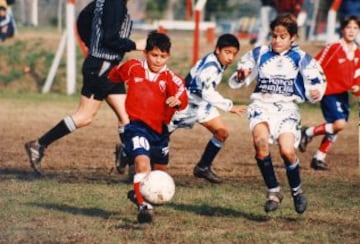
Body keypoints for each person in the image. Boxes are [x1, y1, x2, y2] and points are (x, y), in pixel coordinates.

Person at [24, 0, 144, 175]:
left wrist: (92, 45)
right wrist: (135, 45)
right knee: (84, 116)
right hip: (102, 66)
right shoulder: (115, 3)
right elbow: (110, 38)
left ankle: (127, 155)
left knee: (127, 115)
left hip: (106, 66)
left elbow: (82, 20)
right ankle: (39, 145)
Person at [232, 13, 326, 214]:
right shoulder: (260, 53)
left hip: (286, 109)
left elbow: (317, 80)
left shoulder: (301, 58)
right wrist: (241, 75)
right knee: (260, 144)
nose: (277, 40)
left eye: (282, 37)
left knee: (287, 151)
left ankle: (297, 191)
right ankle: (274, 191)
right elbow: (242, 69)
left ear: (292, 38)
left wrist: (316, 92)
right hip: (261, 106)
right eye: (274, 36)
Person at [108, 31, 188, 224]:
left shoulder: (171, 78)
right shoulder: (132, 67)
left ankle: (139, 192)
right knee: (142, 163)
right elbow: (113, 76)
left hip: (160, 132)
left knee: (160, 172)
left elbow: (183, 97)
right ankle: (144, 207)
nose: (158, 60)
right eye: (154, 55)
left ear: (168, 56)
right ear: (145, 53)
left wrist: (177, 100)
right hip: (136, 127)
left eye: (163, 56)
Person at [168, 34, 247, 184]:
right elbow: (206, 91)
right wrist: (228, 106)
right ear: (218, 50)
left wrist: (239, 78)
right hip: (184, 105)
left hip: (202, 106)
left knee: (221, 133)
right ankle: (127, 152)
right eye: (227, 52)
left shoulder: (218, 62)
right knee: (158, 138)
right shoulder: (210, 67)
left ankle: (203, 167)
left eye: (234, 54)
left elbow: (217, 87)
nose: (230, 57)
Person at [299, 15, 360, 170]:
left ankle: (318, 158)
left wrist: (357, 86)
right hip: (328, 92)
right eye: (348, 27)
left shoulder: (357, 52)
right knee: (339, 124)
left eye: (355, 28)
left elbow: (357, 74)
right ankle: (308, 132)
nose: (351, 31)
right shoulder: (333, 48)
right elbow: (314, 65)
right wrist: (312, 86)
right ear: (342, 29)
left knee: (335, 126)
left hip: (342, 94)